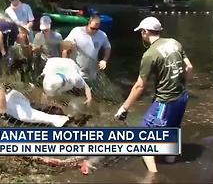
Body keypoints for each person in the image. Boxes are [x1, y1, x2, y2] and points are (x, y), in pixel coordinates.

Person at [114, 17, 193, 173]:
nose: (141, 35)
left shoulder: (149, 55)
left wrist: (124, 108)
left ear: (145, 32)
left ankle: (153, 177)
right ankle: (171, 163)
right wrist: (184, 85)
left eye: (141, 32)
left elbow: (139, 86)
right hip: (182, 97)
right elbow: (189, 67)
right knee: (173, 129)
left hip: (165, 102)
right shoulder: (174, 42)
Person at [63, 15, 111, 82]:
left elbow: (107, 47)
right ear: (88, 24)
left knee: (89, 89)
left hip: (91, 73)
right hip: (75, 72)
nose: (94, 31)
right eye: (92, 28)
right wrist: (70, 45)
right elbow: (65, 47)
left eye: (96, 29)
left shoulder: (102, 35)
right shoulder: (77, 31)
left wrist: (104, 60)